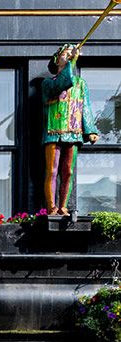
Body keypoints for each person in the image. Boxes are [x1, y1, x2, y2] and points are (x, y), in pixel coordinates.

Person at [42, 44, 98, 216]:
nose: (67, 56)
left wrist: (89, 130)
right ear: (57, 59)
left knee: (68, 171)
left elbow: (85, 107)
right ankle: (51, 206)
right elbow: (63, 83)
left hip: (73, 132)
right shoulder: (47, 83)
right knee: (52, 170)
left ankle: (63, 206)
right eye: (64, 55)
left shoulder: (81, 85)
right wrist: (70, 64)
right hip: (53, 132)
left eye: (70, 55)